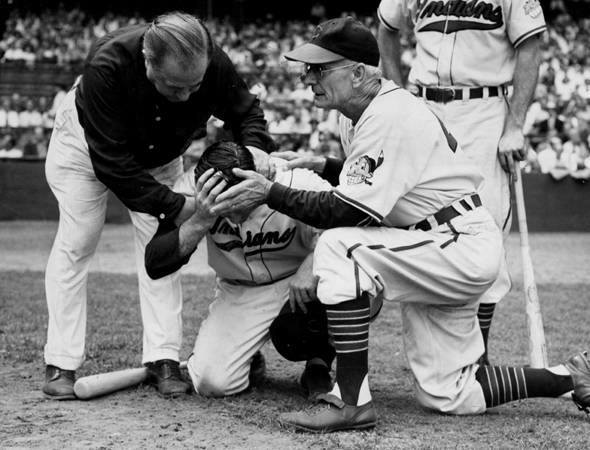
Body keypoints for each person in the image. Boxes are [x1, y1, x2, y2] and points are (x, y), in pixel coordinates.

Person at [208, 17, 590, 433]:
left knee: (340, 246)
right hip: (435, 243)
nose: (307, 76)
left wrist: (269, 192)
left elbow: (351, 211)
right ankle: (571, 376)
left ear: (357, 72)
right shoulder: (356, 111)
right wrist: (329, 165)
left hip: (453, 242)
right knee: (451, 393)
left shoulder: (388, 113)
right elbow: (395, 179)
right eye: (306, 67)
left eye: (319, 68)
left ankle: (351, 402)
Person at [42, 11, 276, 400]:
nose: (186, 97)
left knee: (162, 243)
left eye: (194, 87)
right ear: (149, 63)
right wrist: (179, 207)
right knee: (79, 238)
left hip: (163, 153)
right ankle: (61, 360)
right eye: (174, 87)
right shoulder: (108, 66)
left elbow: (247, 111)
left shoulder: (209, 59)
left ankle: (162, 357)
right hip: (86, 149)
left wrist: (254, 150)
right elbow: (114, 166)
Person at [377, 0, 547, 365]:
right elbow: (387, 29)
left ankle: (477, 358)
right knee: (419, 226)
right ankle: (432, 348)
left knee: (486, 226)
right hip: (423, 108)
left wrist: (515, 124)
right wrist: (397, 90)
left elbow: (531, 46)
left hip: (483, 111)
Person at [144, 141, 335, 399]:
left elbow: (350, 223)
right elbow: (155, 263)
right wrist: (201, 218)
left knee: (348, 278)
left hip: (299, 282)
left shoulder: (295, 180)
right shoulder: (192, 192)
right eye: (225, 205)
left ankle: (319, 362)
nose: (232, 215)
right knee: (212, 383)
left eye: (238, 202)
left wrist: (313, 261)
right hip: (241, 290)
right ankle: (249, 357)